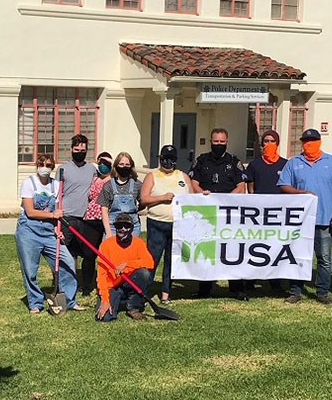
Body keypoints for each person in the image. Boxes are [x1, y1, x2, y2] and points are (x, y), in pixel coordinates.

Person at [278, 128, 332, 305]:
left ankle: (322, 292)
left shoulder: (331, 162)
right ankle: (295, 291)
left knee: (324, 258)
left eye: (313, 140)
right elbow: (283, 186)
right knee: (297, 256)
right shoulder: (293, 162)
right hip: (300, 221)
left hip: (324, 219)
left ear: (319, 142)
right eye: (305, 141)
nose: (309, 144)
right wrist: (301, 192)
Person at [15, 155, 81, 314]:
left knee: (68, 263)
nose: (44, 167)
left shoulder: (57, 185)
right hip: (29, 231)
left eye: (48, 165)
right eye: (41, 164)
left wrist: (56, 229)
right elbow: (30, 212)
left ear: (52, 168)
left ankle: (69, 300)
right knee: (30, 269)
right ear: (37, 166)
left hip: (49, 232)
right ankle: (35, 303)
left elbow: (57, 212)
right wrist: (53, 216)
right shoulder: (28, 183)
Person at [189, 127, 248, 300]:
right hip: (207, 213)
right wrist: (202, 194)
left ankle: (237, 289)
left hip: (228, 214)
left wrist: (226, 199)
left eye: (222, 142)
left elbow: (241, 186)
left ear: (227, 142)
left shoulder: (234, 162)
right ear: (211, 142)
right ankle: (204, 289)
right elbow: (193, 182)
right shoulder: (201, 160)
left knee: (232, 250)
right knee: (207, 249)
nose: (219, 145)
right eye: (216, 141)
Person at [140, 144, 191, 304]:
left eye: (171, 159)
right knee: (152, 260)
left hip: (177, 225)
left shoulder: (183, 176)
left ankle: (166, 293)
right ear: (160, 159)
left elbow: (193, 197)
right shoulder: (152, 176)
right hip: (157, 224)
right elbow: (144, 199)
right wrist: (162, 198)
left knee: (171, 259)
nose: (168, 163)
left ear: (175, 160)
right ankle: (144, 292)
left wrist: (203, 195)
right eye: (165, 159)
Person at [245, 129, 287, 293]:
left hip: (278, 214)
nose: (268, 144)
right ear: (261, 145)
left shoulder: (285, 164)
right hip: (259, 215)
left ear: (277, 144)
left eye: (272, 141)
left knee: (275, 247)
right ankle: (251, 280)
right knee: (256, 246)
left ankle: (275, 280)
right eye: (266, 141)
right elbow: (251, 188)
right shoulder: (255, 165)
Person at [95, 213, 154, 322]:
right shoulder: (106, 245)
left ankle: (133, 307)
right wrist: (104, 299)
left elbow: (150, 262)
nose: (122, 229)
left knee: (144, 273)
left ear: (132, 228)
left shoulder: (138, 243)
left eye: (126, 226)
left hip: (129, 282)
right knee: (105, 318)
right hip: (112, 286)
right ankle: (120, 300)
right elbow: (101, 276)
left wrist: (126, 264)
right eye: (119, 226)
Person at [78, 152, 113, 297]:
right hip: (91, 218)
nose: (102, 166)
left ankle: (108, 284)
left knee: (107, 254)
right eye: (100, 163)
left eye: (105, 163)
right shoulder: (94, 179)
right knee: (89, 254)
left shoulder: (114, 180)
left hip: (107, 218)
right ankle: (87, 285)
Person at [60, 134, 97, 267]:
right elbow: (57, 193)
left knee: (84, 252)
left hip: (84, 218)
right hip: (66, 217)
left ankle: (82, 280)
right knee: (65, 252)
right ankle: (65, 281)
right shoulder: (63, 169)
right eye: (76, 150)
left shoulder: (92, 169)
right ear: (71, 150)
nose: (79, 153)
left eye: (83, 151)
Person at [99, 151, 142, 237]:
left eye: (127, 165)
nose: (124, 167)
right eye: (121, 164)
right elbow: (104, 210)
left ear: (131, 166)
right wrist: (108, 233)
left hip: (132, 227)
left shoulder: (137, 184)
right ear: (116, 166)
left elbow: (143, 201)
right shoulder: (108, 185)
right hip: (113, 227)